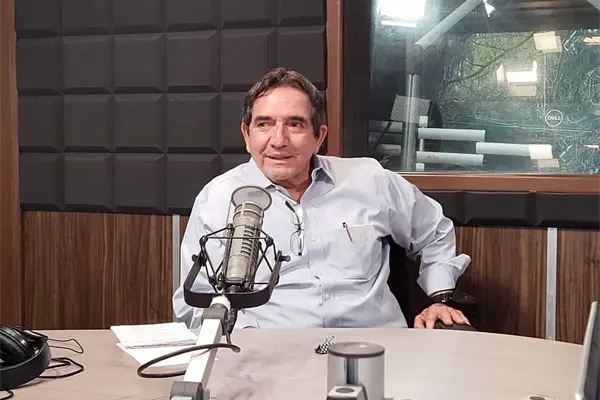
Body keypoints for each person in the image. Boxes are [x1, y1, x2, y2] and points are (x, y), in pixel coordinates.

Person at [173, 67, 472, 330]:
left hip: (375, 348)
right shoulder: (217, 200)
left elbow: (434, 231)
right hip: (269, 357)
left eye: (295, 124)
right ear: (246, 135)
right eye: (264, 124)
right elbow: (191, 304)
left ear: (319, 136)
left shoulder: (370, 179)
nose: (278, 140)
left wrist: (439, 298)